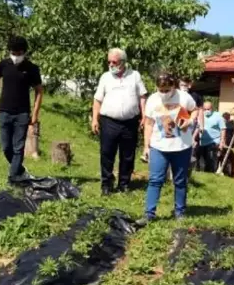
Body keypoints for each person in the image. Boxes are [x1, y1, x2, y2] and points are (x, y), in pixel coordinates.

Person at [139, 73, 198, 224]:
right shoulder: (152, 100)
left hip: (181, 145)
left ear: (174, 86)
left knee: (180, 180)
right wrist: (146, 146)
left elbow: (195, 110)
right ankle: (149, 214)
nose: (164, 93)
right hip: (159, 145)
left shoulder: (184, 97)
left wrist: (190, 120)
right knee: (155, 180)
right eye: (161, 90)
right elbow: (149, 124)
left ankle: (180, 212)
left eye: (167, 90)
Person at [92, 48, 147, 196]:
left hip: (130, 122)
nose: (111, 64)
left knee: (128, 155)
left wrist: (144, 116)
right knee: (107, 153)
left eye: (114, 62)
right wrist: (94, 120)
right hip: (109, 121)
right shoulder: (105, 77)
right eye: (109, 62)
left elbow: (142, 97)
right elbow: (97, 99)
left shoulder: (135, 76)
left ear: (123, 62)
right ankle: (106, 184)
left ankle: (124, 184)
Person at [0, 36, 43, 184]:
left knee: (18, 147)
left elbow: (39, 91)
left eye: (19, 53)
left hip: (22, 114)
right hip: (4, 112)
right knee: (6, 147)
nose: (16, 56)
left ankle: (12, 178)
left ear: (24, 52)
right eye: (13, 52)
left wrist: (35, 113)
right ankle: (19, 170)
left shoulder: (32, 69)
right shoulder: (4, 64)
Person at [197, 101, 226, 172]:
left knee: (211, 161)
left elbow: (223, 129)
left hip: (213, 141)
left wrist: (222, 141)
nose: (206, 111)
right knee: (202, 162)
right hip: (202, 141)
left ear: (212, 108)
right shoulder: (200, 115)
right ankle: (203, 175)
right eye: (205, 109)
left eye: (208, 109)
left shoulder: (218, 116)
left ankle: (211, 174)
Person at [221, 112, 234, 176]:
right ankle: (231, 173)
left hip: (228, 144)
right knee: (231, 159)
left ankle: (227, 172)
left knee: (225, 158)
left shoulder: (227, 125)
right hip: (232, 144)